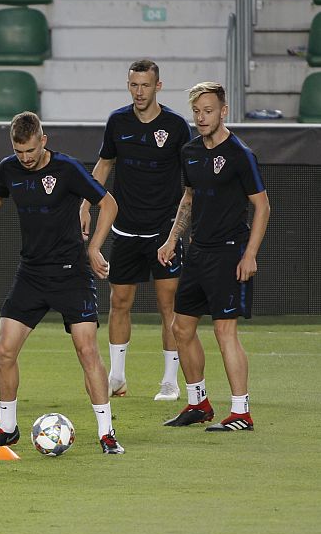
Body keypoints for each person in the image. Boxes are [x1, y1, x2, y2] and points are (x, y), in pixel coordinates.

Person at [0, 111, 126, 454]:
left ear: (43, 140)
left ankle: (106, 433)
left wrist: (93, 248)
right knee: (4, 350)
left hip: (71, 272)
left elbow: (109, 203)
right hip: (31, 273)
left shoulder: (67, 168)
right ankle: (7, 427)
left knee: (87, 350)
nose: (26, 158)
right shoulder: (9, 168)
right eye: (19, 152)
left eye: (31, 151)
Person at [79, 59, 193, 402]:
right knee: (119, 301)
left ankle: (170, 380)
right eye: (133, 85)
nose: (139, 91)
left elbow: (190, 180)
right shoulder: (118, 121)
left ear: (158, 86)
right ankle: (116, 377)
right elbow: (104, 164)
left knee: (167, 304)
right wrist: (85, 204)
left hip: (163, 230)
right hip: (125, 228)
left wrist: (179, 229)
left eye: (145, 85)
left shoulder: (175, 125)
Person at [159, 82, 270, 432]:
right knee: (181, 327)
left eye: (208, 111)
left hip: (229, 253)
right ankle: (198, 403)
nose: (201, 117)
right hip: (198, 252)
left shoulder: (240, 154)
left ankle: (241, 412)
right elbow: (188, 199)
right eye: (196, 111)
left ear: (223, 111)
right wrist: (171, 239)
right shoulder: (190, 151)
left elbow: (262, 205)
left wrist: (250, 254)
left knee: (224, 331)